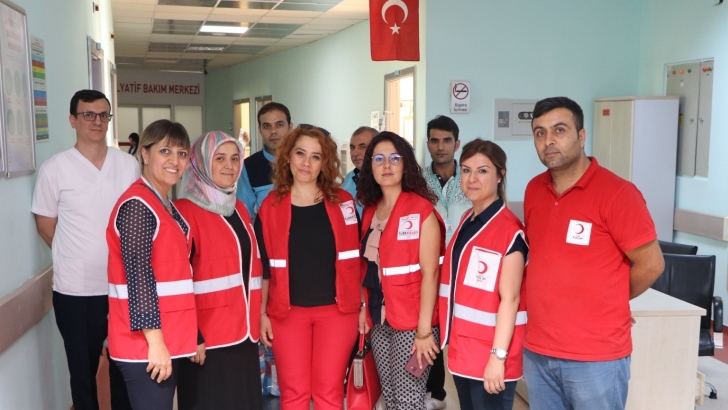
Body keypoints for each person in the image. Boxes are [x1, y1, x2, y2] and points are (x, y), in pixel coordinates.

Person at [523, 97, 664, 410]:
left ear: (581, 136)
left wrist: (611, 300)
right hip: (539, 350)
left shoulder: (618, 194)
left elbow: (652, 264)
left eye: (559, 130)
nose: (549, 140)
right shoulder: (534, 190)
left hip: (595, 355)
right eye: (540, 132)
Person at [32, 89, 136, 410]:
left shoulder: (128, 165)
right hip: (76, 291)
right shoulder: (55, 168)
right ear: (72, 120)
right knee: (83, 374)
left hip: (122, 287)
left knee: (124, 369)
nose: (97, 121)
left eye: (103, 115)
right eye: (88, 114)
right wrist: (78, 253)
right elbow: (46, 225)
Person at [255, 127, 364, 410]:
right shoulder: (270, 206)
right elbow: (263, 267)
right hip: (286, 313)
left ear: (324, 163)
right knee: (294, 394)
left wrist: (364, 305)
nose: (306, 163)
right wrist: (261, 313)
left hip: (338, 313)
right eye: (300, 153)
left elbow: (358, 260)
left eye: (316, 156)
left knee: (329, 392)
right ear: (287, 157)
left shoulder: (344, 202)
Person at [106, 119, 197, 410]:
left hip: (166, 337)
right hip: (144, 345)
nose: (174, 161)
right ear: (144, 154)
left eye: (182, 154)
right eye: (165, 151)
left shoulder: (163, 203)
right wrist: (155, 344)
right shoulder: (137, 205)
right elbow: (138, 276)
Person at [175, 131, 264, 409]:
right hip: (206, 341)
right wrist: (192, 335)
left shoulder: (239, 208)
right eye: (220, 158)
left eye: (235, 159)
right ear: (201, 163)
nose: (229, 166)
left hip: (244, 334)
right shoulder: (183, 212)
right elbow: (176, 281)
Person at [357, 131, 445, 410]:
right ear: (370, 166)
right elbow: (366, 270)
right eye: (379, 159)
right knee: (391, 397)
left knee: (409, 400)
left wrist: (424, 332)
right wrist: (363, 309)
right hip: (380, 320)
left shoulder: (421, 210)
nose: (386, 165)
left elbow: (431, 274)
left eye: (394, 158)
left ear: (405, 164)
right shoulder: (370, 212)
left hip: (414, 324)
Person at [438, 139, 528, 410]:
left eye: (482, 171)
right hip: (463, 350)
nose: (472, 179)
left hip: (491, 355)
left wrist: (497, 358)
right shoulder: (468, 219)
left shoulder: (510, 231)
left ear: (500, 175)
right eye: (466, 170)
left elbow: (510, 300)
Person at [422, 115, 471, 409]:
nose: (441, 146)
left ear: (457, 143)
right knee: (432, 327)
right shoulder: (416, 180)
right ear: (428, 143)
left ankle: (469, 389)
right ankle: (436, 392)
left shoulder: (470, 177)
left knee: (464, 329)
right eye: (435, 140)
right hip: (429, 267)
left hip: (465, 266)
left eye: (447, 140)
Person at [237, 102, 294, 215]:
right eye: (267, 126)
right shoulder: (249, 166)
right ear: (260, 130)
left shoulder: (303, 162)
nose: (273, 131)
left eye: (279, 125)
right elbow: (244, 213)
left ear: (290, 127)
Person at [341, 126, 379, 215]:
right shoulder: (349, 178)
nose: (355, 153)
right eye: (352, 148)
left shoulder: (385, 179)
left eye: (362, 147)